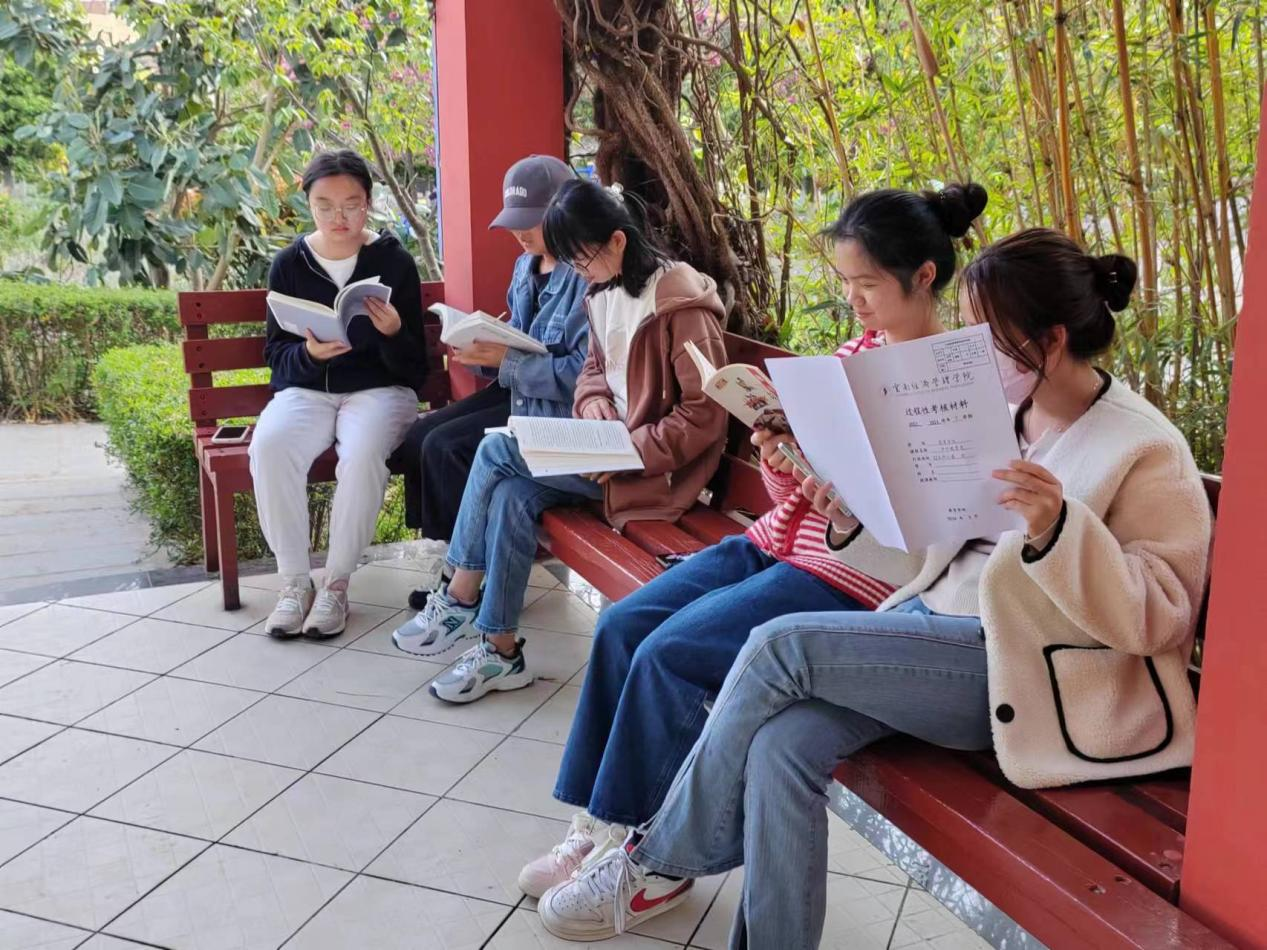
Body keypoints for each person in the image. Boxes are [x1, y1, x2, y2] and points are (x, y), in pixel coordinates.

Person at [540, 229, 1213, 947]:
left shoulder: (1142, 447)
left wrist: (1058, 530)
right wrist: (848, 522)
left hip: (1019, 670)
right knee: (778, 745)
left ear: (1048, 340)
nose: (968, 353)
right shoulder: (1005, 417)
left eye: (986, 338)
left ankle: (661, 857)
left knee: (778, 646)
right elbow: (929, 556)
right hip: (927, 632)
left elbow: (1158, 618)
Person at [516, 184, 988, 900]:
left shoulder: (951, 382)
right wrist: (780, 458)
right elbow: (799, 493)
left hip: (849, 578)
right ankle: (597, 825)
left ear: (923, 276)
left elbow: (935, 532)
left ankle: (654, 855)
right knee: (621, 625)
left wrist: (846, 506)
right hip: (776, 542)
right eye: (846, 283)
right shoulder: (853, 352)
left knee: (669, 656)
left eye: (867, 283)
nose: (854, 301)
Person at [393, 178, 731, 707]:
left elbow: (705, 415)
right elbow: (593, 370)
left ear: (619, 241)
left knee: (495, 450)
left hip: (650, 476)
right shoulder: (602, 290)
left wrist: (628, 451)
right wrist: (593, 399)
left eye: (584, 258)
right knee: (510, 495)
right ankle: (500, 649)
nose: (579, 272)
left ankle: (456, 594)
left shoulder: (679, 304)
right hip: (606, 452)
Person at [395, 155, 589, 609]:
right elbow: (515, 340)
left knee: (448, 445)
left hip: (549, 403)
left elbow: (583, 374)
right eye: (515, 224)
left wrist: (504, 360)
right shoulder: (526, 268)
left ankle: (463, 577)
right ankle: (456, 557)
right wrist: (478, 353)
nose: (521, 235)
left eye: (532, 223)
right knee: (423, 434)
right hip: (516, 387)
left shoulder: (586, 276)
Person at [252, 150, 428, 639]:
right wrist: (310, 354)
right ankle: (293, 582)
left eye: (351, 204)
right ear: (308, 205)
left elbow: (415, 369)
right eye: (325, 205)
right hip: (308, 391)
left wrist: (393, 332)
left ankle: (336, 585)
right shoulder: (289, 264)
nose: (339, 218)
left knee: (365, 452)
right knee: (270, 445)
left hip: (378, 391)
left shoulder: (393, 262)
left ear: (368, 203)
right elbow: (277, 358)